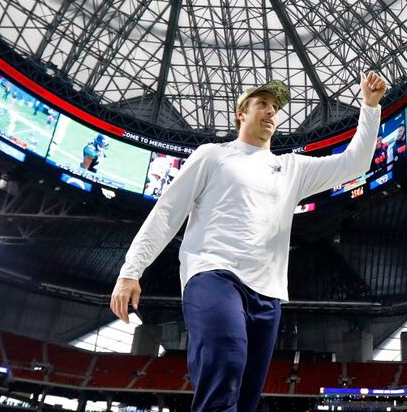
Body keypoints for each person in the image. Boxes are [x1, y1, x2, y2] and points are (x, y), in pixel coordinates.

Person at [110, 72, 387, 412]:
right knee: (226, 357)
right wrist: (130, 270)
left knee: (245, 399)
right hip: (212, 274)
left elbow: (355, 163)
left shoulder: (291, 169)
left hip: (267, 294)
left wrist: (370, 107)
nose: (271, 112)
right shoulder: (212, 155)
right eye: (262, 104)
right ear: (241, 113)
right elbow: (167, 211)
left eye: (275, 107)